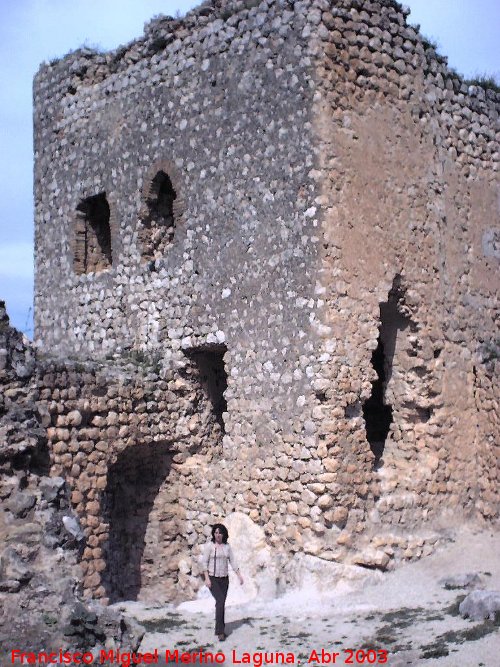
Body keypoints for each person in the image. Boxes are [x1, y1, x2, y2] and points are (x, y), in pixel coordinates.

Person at [202, 523, 243, 641]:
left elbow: (233, 561)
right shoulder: (209, 546)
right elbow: (204, 562)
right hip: (213, 578)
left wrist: (239, 575)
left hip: (224, 579)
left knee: (220, 604)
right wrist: (207, 578)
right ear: (213, 534)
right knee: (220, 601)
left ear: (223, 534)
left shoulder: (227, 547)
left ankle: (218, 627)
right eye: (215, 533)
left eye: (220, 533)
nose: (217, 535)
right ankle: (220, 632)